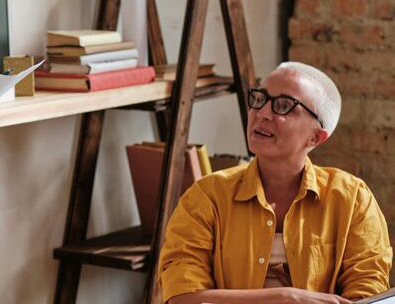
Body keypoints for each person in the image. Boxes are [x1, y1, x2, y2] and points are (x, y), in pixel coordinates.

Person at [159, 62, 392, 304]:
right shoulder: (206, 196)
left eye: (283, 106)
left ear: (316, 136)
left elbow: (367, 294)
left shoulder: (353, 199)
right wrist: (284, 297)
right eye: (260, 99)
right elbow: (181, 296)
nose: (262, 113)